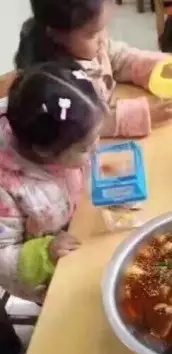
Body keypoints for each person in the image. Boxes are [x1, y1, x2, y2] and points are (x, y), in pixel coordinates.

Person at [0, 63, 104, 307]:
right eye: (85, 148)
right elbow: (3, 257)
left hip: (80, 228)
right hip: (50, 272)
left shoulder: (64, 133)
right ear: (45, 152)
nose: (96, 147)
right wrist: (46, 253)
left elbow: (92, 126)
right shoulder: (7, 188)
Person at [15, 0, 172, 138]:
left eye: (104, 27)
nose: (103, 39)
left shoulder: (92, 47)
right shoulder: (53, 82)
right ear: (56, 34)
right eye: (92, 34)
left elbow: (121, 58)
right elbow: (83, 123)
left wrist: (158, 67)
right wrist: (140, 115)